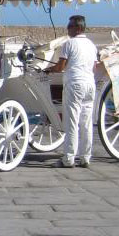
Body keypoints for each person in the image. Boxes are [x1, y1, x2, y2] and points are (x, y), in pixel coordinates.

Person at [46, 15, 99, 167]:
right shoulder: (91, 45)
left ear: (77, 28)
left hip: (75, 84)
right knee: (86, 123)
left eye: (69, 26)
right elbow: (94, 67)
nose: (67, 28)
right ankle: (85, 157)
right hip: (90, 85)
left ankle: (68, 159)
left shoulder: (69, 44)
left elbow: (60, 67)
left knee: (72, 122)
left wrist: (49, 70)